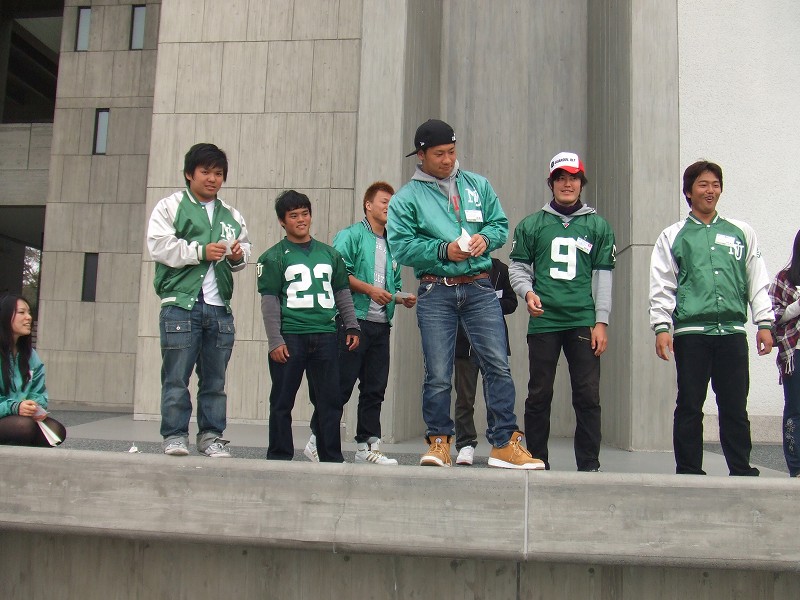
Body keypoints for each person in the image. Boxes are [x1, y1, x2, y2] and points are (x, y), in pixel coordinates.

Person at [387, 118, 543, 469]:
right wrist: (443, 250)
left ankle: (504, 443)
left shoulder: (478, 185)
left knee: (498, 364)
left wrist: (485, 238)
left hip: (480, 287)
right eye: (439, 154)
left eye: (452, 152)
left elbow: (499, 225)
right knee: (438, 372)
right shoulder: (406, 198)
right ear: (421, 155)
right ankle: (439, 442)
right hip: (435, 290)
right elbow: (401, 246)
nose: (447, 160)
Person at [649, 160, 773, 476]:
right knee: (690, 404)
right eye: (703, 184)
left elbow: (756, 278)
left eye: (715, 185)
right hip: (691, 334)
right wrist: (661, 326)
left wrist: (764, 322)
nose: (710, 190)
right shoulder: (672, 235)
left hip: (732, 333)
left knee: (735, 405)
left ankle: (740, 467)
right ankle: (689, 468)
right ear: (689, 192)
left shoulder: (741, 232)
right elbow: (662, 284)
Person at [509, 152, 616, 472]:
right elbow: (518, 269)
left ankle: (589, 463)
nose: (567, 184)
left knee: (588, 394)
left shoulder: (597, 226)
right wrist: (527, 293)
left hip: (583, 319)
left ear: (582, 183)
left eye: (573, 178)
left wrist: (601, 321)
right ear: (551, 183)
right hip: (545, 321)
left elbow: (603, 276)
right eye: (561, 178)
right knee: (539, 393)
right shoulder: (532, 224)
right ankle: (538, 459)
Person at [147, 143, 251, 458]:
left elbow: (244, 252)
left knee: (215, 380)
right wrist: (199, 251)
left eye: (218, 173)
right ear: (189, 174)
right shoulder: (170, 206)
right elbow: (158, 245)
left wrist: (237, 256)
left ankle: (211, 437)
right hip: (180, 305)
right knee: (176, 377)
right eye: (205, 171)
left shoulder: (232, 215)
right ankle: (175, 436)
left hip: (219, 308)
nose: (212, 178)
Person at [303, 182, 416, 465]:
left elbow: (391, 284)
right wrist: (370, 291)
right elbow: (338, 274)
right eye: (384, 202)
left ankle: (367, 447)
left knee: (374, 389)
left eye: (393, 203)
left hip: (381, 325)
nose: (389, 207)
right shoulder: (351, 235)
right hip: (352, 322)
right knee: (339, 387)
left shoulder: (394, 242)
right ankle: (316, 441)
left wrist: (400, 297)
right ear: (368, 205)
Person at [257, 190, 360, 463]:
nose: (301, 220)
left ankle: (331, 457)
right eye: (294, 215)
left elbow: (342, 293)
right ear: (282, 221)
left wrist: (351, 326)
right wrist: (275, 340)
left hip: (326, 334)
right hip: (291, 335)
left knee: (330, 401)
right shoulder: (273, 257)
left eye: (305, 213)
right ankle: (279, 456)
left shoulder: (330, 254)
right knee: (282, 400)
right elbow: (269, 302)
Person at [453, 257, 517, 466]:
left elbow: (512, 302)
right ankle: (465, 444)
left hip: (494, 341)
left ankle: (500, 442)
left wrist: (486, 304)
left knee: (497, 394)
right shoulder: (460, 265)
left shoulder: (501, 269)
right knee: (464, 397)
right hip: (464, 343)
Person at [0, 294, 67, 446]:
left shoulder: (30, 355)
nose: (29, 317)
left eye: (29, 312)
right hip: (8, 413)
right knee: (24, 427)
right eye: (21, 312)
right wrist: (15, 407)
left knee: (57, 432)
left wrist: (34, 406)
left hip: (17, 416)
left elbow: (39, 391)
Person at [768, 229, 800, 477]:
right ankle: (796, 467)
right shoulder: (785, 278)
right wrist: (796, 306)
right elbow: (772, 315)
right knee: (795, 410)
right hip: (794, 354)